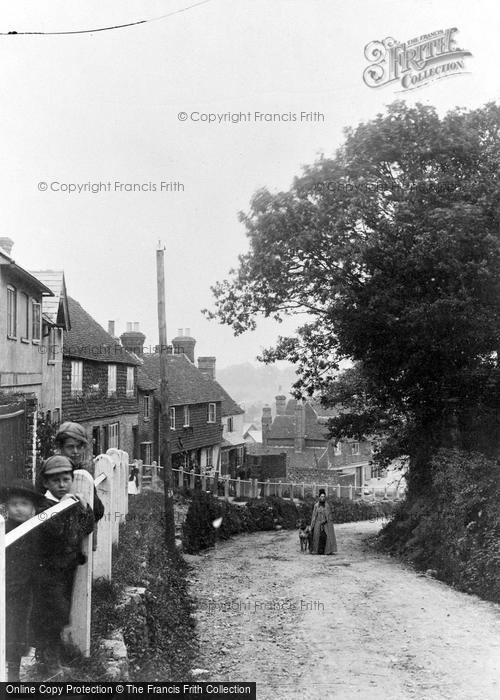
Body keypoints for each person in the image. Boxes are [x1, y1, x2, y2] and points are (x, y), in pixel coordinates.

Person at [32, 455, 95, 678]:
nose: (62, 485)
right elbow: (58, 532)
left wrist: (83, 507)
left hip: (65, 569)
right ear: (46, 483)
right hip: (47, 571)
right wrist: (65, 506)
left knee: (60, 614)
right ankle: (47, 661)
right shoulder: (43, 506)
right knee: (51, 614)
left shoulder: (69, 502)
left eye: (66, 479)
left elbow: (85, 528)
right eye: (56, 481)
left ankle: (52, 658)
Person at [0, 480, 45, 681]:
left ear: (33, 508)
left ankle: (13, 672)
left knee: (18, 631)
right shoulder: (4, 529)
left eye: (24, 504)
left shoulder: (37, 530)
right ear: (7, 507)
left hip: (25, 591)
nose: (18, 508)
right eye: (14, 503)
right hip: (5, 587)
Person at [53, 421, 105, 525]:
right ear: (60, 448)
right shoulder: (51, 472)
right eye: (70, 447)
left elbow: (98, 511)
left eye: (79, 447)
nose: (75, 451)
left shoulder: (83, 474)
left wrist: (85, 505)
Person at [310, 489, 337, 555]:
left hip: (325, 523)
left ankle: (327, 550)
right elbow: (314, 516)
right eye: (321, 496)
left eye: (323, 496)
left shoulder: (327, 506)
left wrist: (325, 521)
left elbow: (329, 516)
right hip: (317, 523)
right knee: (316, 536)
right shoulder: (316, 506)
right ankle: (316, 550)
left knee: (327, 535)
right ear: (319, 497)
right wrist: (312, 526)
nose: (322, 498)